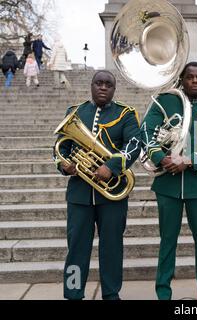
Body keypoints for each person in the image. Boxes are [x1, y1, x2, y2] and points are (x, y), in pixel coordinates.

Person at [53, 71, 141, 300]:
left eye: (108, 84)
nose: (103, 87)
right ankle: (73, 293)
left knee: (112, 248)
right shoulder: (75, 112)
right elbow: (59, 150)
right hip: (79, 195)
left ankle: (111, 294)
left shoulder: (126, 114)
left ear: (114, 89)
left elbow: (134, 145)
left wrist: (111, 167)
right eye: (98, 83)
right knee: (76, 250)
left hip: (112, 194)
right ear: (91, 85)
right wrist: (65, 165)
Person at [141, 62, 197, 300]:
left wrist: (189, 161)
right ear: (183, 79)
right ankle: (163, 293)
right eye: (190, 77)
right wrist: (160, 158)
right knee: (167, 241)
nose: (195, 81)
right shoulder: (164, 102)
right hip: (167, 185)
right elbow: (146, 131)